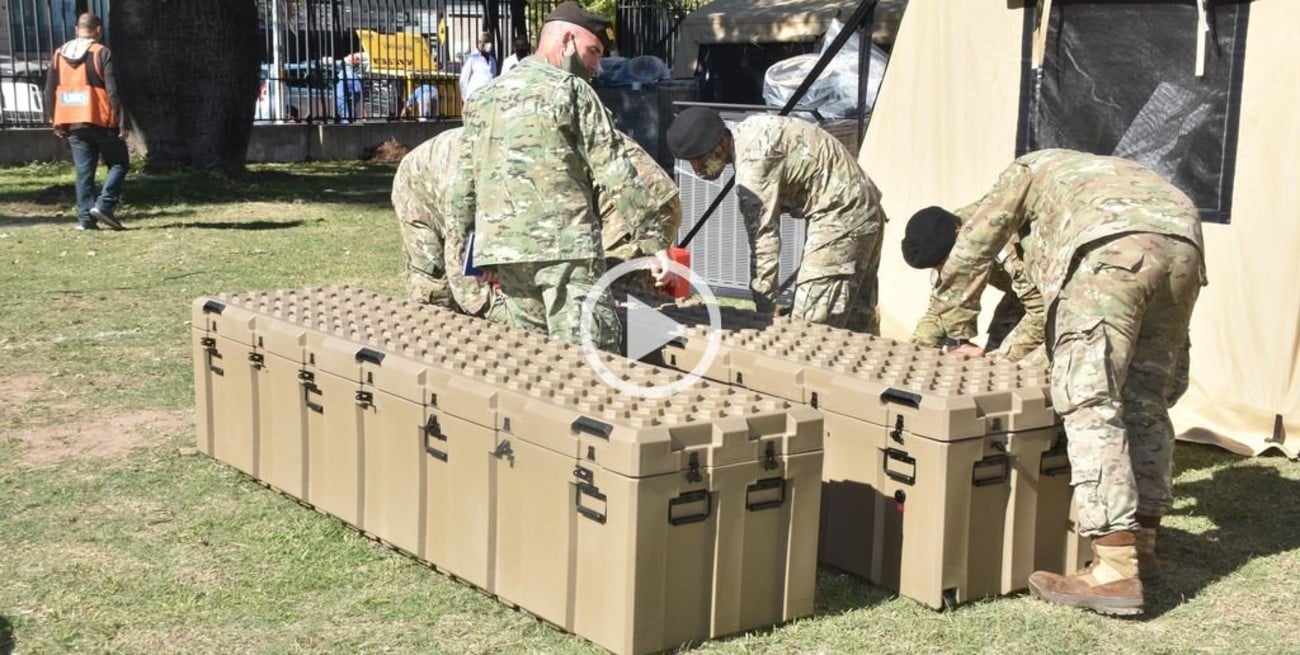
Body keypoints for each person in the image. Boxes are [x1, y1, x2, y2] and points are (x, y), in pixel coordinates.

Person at [909, 148, 1206, 616]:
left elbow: (972, 249)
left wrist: (959, 333)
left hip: (1110, 251)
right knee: (1145, 400)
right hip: (1185, 245)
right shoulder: (1077, 171)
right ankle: (1143, 548)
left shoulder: (1022, 173)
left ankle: (1114, 569)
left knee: (1089, 400)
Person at [448, 1, 671, 352]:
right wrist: (655, 243)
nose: (596, 67)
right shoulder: (572, 91)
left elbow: (464, 185)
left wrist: (473, 254)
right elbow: (616, 171)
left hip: (507, 254)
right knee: (591, 356)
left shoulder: (483, 98)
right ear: (567, 40)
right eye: (593, 52)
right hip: (566, 251)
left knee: (537, 360)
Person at [666, 107, 885, 333]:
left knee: (807, 329)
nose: (697, 169)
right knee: (857, 321)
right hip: (864, 206)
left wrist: (763, 315)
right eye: (690, 162)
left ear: (720, 144)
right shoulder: (751, 130)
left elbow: (764, 243)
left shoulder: (753, 167)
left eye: (700, 159)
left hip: (841, 215)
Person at [902, 205, 1043, 363]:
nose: (945, 271)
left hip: (1055, 295)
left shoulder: (1000, 240)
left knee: (1029, 363)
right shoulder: (948, 239)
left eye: (945, 264)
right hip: (1021, 294)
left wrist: (995, 360)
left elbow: (1042, 310)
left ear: (959, 235)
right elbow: (942, 307)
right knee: (998, 340)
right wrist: (917, 352)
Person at [392, 127, 499, 320]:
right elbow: (458, 257)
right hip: (416, 189)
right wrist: (495, 312)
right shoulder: (463, 185)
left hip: (454, 184)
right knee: (432, 277)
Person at [43, 12, 130, 231]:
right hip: (100, 118)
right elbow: (113, 91)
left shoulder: (59, 54)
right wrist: (122, 122)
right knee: (119, 163)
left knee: (84, 172)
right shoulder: (101, 52)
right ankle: (105, 205)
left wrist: (55, 120)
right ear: (98, 30)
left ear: (76, 30)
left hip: (71, 120)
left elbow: (49, 90)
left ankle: (85, 219)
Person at [457, 32, 498, 104]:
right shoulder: (472, 58)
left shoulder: (492, 60)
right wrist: (465, 98)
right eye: (480, 42)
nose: (482, 44)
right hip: (474, 97)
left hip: (488, 98)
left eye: (486, 42)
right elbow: (463, 79)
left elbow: (493, 78)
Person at [336, 52, 365, 123]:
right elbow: (358, 88)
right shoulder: (350, 73)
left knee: (347, 117)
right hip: (346, 98)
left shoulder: (342, 72)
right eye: (357, 61)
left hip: (341, 97)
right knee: (348, 118)